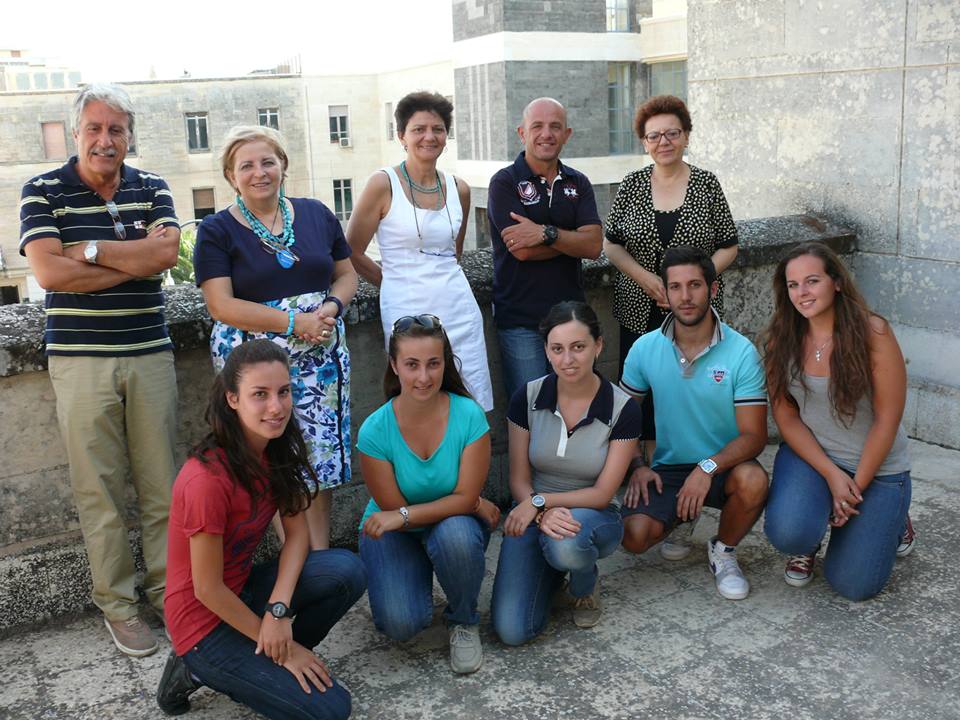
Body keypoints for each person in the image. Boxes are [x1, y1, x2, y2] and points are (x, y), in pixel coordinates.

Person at [19, 83, 180, 656]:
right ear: (76, 132)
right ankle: (118, 606)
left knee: (164, 486)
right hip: (81, 362)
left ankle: (169, 594)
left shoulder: (153, 186)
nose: (105, 140)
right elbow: (50, 274)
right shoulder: (41, 190)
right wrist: (126, 259)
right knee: (100, 492)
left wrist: (84, 249)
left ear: (128, 135)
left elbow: (165, 257)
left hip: (149, 354)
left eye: (116, 129)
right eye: (94, 128)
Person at [156, 340, 366, 719]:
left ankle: (269, 662)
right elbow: (206, 589)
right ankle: (195, 668)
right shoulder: (205, 479)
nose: (276, 406)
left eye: (284, 392)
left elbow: (299, 536)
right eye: (260, 395)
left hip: (244, 593)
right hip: (202, 624)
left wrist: (277, 612)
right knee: (333, 710)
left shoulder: (273, 448)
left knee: (347, 570)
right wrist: (271, 636)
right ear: (232, 399)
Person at [194, 125, 358, 550]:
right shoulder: (215, 230)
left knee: (318, 467)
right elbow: (221, 305)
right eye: (245, 165)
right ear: (231, 176)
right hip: (257, 369)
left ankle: (320, 564)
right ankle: (293, 569)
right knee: (273, 466)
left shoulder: (317, 214)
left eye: (267, 161)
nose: (259, 172)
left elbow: (346, 275)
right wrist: (292, 323)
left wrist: (331, 308)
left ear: (283, 165)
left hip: (321, 363)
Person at [604, 95, 739, 561]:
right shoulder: (632, 185)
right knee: (645, 407)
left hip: (692, 311)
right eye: (654, 135)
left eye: (672, 133)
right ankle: (653, 484)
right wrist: (648, 279)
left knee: (693, 402)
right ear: (644, 141)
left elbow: (730, 245)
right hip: (639, 308)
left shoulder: (706, 184)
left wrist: (695, 281)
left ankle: (695, 498)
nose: (664, 142)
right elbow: (612, 246)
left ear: (686, 135)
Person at [762, 242, 914, 599]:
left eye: (812, 281)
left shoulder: (872, 333)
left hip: (876, 468)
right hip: (814, 459)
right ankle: (812, 534)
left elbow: (887, 420)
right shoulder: (779, 339)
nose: (802, 292)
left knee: (853, 585)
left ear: (837, 283)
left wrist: (851, 491)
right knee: (789, 533)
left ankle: (893, 521)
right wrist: (832, 477)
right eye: (793, 284)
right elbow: (786, 415)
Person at [619, 246, 769, 601]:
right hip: (668, 467)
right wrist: (637, 465)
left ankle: (724, 550)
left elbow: (755, 436)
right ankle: (682, 518)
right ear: (664, 293)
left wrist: (707, 467)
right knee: (635, 537)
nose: (685, 297)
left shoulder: (741, 351)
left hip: (723, 466)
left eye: (695, 286)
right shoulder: (644, 348)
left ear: (712, 289)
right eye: (675, 287)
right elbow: (620, 420)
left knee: (754, 480)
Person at [356, 315, 499, 674]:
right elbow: (392, 509)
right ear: (394, 365)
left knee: (456, 535)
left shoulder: (469, 415)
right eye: (412, 365)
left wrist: (468, 503)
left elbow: (465, 499)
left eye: (434, 363)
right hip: (391, 530)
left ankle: (463, 619)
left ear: (445, 363)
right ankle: (413, 571)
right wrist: (470, 503)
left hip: (445, 525)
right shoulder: (374, 429)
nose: (424, 377)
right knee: (401, 624)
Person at [491, 302, 640, 643]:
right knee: (513, 631)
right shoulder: (526, 397)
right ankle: (553, 572)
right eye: (557, 349)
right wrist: (540, 512)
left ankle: (583, 583)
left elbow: (603, 492)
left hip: (594, 515)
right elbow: (518, 478)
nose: (567, 360)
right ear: (545, 350)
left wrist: (542, 501)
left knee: (567, 546)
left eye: (578, 347)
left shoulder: (623, 408)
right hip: (535, 513)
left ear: (598, 346)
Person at [347, 91, 493, 411]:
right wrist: (392, 282)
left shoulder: (459, 188)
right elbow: (351, 251)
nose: (429, 136)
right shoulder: (382, 183)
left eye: (438, 129)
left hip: (458, 308)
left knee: (468, 404)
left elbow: (453, 254)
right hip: (406, 308)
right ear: (401, 136)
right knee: (416, 401)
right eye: (418, 129)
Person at [487, 97, 603, 401]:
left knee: (576, 405)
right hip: (520, 321)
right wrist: (571, 241)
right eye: (537, 126)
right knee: (531, 410)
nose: (546, 134)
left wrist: (544, 233)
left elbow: (593, 246)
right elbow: (521, 250)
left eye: (555, 126)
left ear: (567, 134)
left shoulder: (579, 182)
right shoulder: (504, 183)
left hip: (571, 319)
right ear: (522, 133)